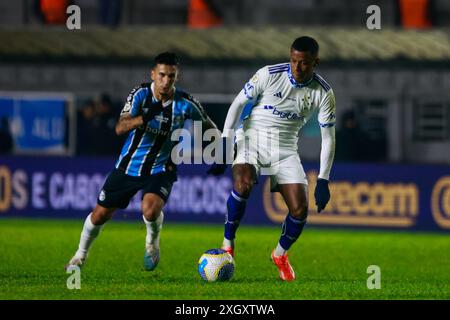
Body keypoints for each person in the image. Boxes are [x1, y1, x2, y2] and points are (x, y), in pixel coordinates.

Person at [66, 52, 219, 271]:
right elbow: (120, 127)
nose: (166, 81)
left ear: (177, 76)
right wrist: (144, 117)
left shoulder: (185, 104)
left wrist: (218, 151)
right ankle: (79, 256)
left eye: (171, 76)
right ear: (153, 74)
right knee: (99, 215)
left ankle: (151, 244)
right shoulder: (140, 94)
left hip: (161, 166)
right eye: (162, 75)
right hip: (128, 166)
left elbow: (208, 124)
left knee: (149, 209)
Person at [207, 36, 336, 281]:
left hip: (285, 149)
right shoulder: (268, 74)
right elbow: (237, 104)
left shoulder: (324, 93)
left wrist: (323, 180)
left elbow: (328, 138)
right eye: (294, 61)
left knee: (300, 210)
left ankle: (280, 255)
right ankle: (227, 243)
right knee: (243, 185)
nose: (297, 68)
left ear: (316, 62)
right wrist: (225, 143)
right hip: (252, 139)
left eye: (305, 63)